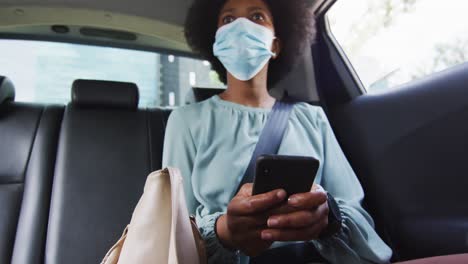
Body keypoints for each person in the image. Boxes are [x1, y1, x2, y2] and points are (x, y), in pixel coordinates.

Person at [162, 0, 393, 263]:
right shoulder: (185, 121)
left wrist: (328, 218)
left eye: (257, 16)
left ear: (275, 45)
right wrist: (224, 231)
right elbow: (173, 232)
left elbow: (357, 215)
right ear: (216, 42)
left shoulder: (311, 118)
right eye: (227, 20)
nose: (241, 26)